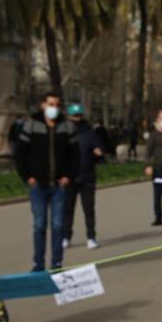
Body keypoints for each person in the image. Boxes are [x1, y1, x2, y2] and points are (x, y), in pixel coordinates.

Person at [14, 92, 77, 271]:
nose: (54, 108)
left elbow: (75, 154)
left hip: (59, 184)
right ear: (43, 105)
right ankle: (38, 263)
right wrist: (27, 177)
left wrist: (69, 176)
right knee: (39, 225)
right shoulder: (31, 125)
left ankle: (57, 262)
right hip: (38, 184)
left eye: (57, 105)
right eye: (50, 104)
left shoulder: (67, 126)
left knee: (58, 226)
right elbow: (20, 153)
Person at [63, 103, 105, 250]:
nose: (77, 118)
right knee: (68, 209)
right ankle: (66, 237)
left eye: (79, 115)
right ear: (69, 116)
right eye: (74, 116)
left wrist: (99, 153)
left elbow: (100, 152)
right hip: (69, 177)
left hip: (87, 177)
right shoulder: (64, 131)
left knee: (89, 209)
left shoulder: (90, 132)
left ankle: (91, 237)